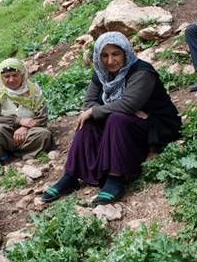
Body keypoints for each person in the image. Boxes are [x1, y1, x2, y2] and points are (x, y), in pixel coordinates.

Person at [42, 31, 181, 205]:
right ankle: (71, 175)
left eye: (116, 54)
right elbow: (89, 102)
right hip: (124, 123)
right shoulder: (102, 73)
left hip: (155, 124)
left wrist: (102, 111)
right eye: (105, 55)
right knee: (88, 122)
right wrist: (102, 111)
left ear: (126, 53)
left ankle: (116, 179)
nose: (110, 61)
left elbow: (128, 104)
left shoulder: (142, 72)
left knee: (116, 118)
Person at [0, 58, 53, 167]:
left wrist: (25, 128)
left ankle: (10, 153)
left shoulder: (34, 91)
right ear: (1, 78)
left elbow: (42, 117)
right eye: (7, 76)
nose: (11, 80)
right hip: (4, 132)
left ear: (22, 75)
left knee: (44, 135)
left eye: (15, 75)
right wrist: (19, 121)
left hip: (27, 133)